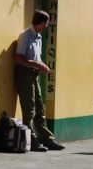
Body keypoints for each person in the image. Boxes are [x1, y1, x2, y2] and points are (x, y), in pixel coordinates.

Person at [14, 10, 65, 151]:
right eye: (46, 23)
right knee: (29, 109)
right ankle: (31, 140)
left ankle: (46, 138)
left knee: (39, 108)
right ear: (42, 23)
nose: (47, 26)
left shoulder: (38, 37)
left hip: (34, 74)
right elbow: (19, 58)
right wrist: (37, 64)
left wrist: (41, 65)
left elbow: (37, 57)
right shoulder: (25, 36)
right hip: (24, 74)